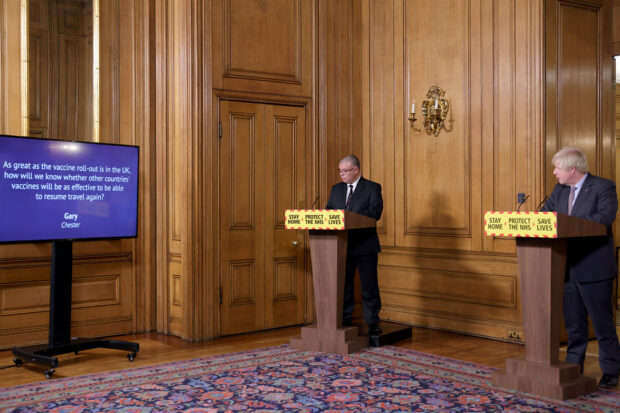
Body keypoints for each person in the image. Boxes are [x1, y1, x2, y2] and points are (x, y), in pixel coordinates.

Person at [541, 147, 620, 389]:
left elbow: (605, 217)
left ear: (572, 169)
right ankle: (574, 367)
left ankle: (612, 371)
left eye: (557, 168)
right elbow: (545, 214)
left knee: (602, 324)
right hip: (566, 267)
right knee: (574, 325)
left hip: (594, 267)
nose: (554, 172)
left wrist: (570, 224)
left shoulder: (603, 187)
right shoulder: (560, 190)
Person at [326, 154, 383, 336]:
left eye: (345, 171)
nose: (342, 174)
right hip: (342, 245)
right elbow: (329, 211)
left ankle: (372, 323)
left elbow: (375, 212)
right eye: (340, 171)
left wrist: (351, 218)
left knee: (368, 286)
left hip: (365, 245)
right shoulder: (336, 189)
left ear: (356, 170)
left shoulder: (372, 188)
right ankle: (344, 321)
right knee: (345, 287)